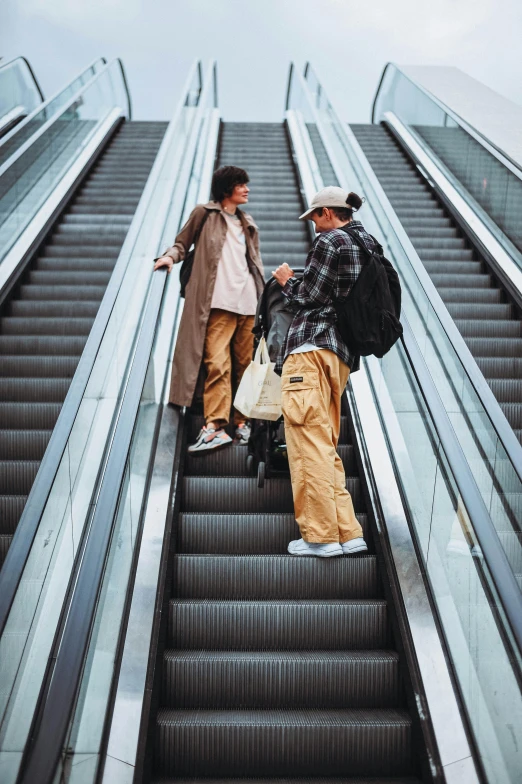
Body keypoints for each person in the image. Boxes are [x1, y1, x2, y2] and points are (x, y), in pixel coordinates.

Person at [273, 186, 372, 558]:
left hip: (310, 350)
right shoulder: (366, 243)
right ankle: (348, 531)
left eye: (315, 216)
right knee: (324, 444)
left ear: (329, 213)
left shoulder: (330, 242)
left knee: (306, 445)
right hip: (339, 357)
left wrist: (287, 281)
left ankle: (320, 536)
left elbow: (308, 296)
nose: (313, 224)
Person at [154, 166, 264, 453]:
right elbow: (182, 242)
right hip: (217, 303)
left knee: (247, 367)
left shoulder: (247, 223)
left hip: (248, 303)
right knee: (217, 364)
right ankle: (215, 426)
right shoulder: (204, 213)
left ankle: (243, 423)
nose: (247, 189)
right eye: (241, 184)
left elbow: (254, 263)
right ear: (227, 188)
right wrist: (169, 257)